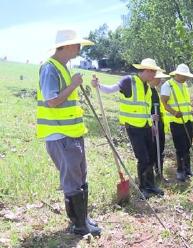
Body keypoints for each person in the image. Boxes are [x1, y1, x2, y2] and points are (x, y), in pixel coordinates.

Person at [37, 29, 101, 236]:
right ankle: (79, 225)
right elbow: (52, 100)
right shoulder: (50, 69)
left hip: (72, 133)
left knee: (81, 176)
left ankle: (83, 219)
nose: (79, 48)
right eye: (76, 44)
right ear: (65, 46)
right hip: (60, 135)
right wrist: (74, 85)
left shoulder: (63, 67)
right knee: (72, 179)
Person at [91, 58, 164, 198]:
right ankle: (143, 187)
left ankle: (151, 185)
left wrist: (151, 122)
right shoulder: (128, 81)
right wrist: (98, 85)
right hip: (133, 128)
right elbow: (111, 89)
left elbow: (144, 109)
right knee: (142, 158)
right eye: (153, 73)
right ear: (147, 70)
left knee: (151, 157)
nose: (155, 76)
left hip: (146, 127)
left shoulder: (147, 88)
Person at [160, 64, 193, 182]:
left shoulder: (184, 85)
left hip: (187, 119)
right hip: (176, 121)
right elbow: (164, 103)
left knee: (188, 145)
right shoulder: (168, 85)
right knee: (180, 147)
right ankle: (180, 171)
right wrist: (174, 112)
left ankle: (188, 169)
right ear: (177, 74)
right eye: (184, 75)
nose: (186, 78)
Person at [148, 71, 170, 181]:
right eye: (158, 78)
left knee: (160, 149)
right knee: (153, 150)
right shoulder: (147, 91)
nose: (160, 80)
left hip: (159, 124)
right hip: (151, 125)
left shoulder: (155, 91)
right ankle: (151, 174)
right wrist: (150, 119)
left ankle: (159, 172)